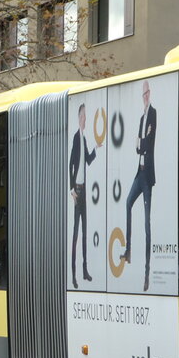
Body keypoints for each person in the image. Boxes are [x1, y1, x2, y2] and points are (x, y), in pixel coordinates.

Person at [121, 81, 156, 291]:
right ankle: (128, 250)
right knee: (127, 203)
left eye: (146, 93)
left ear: (149, 94)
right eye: (142, 94)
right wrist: (141, 140)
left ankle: (146, 272)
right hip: (138, 172)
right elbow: (137, 147)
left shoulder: (153, 114)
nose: (144, 96)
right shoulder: (143, 118)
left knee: (147, 223)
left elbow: (147, 143)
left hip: (147, 176)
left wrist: (141, 141)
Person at [69, 103, 96, 288]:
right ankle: (73, 274)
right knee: (76, 234)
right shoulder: (76, 138)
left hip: (84, 190)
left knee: (85, 232)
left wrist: (96, 148)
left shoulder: (85, 138)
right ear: (79, 118)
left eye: (86, 116)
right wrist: (71, 188)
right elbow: (71, 163)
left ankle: (85, 270)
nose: (85, 119)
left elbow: (87, 160)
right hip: (77, 191)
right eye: (84, 116)